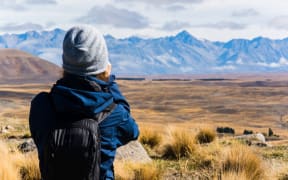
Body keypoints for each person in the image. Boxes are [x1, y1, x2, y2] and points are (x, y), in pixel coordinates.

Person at [29, 25, 139, 180]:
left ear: (65, 62)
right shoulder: (114, 114)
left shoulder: (41, 106)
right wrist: (109, 83)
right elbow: (132, 131)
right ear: (102, 66)